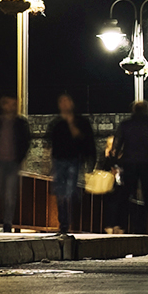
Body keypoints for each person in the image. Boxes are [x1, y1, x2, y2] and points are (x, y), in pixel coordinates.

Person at [46, 93, 97, 235]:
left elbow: (87, 141)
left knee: (70, 191)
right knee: (61, 193)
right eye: (61, 101)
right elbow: (50, 144)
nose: (64, 104)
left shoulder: (80, 122)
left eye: (66, 100)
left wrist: (90, 160)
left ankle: (69, 222)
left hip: (75, 160)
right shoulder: (57, 124)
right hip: (59, 161)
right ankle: (64, 223)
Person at [112, 100, 148, 234]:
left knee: (127, 193)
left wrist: (116, 163)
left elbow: (116, 146)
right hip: (146, 163)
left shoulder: (126, 125)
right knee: (145, 195)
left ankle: (124, 223)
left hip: (129, 163)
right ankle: (142, 225)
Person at [0, 95, 32, 232]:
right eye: (8, 104)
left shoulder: (21, 123)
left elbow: (26, 141)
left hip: (12, 163)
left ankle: (7, 223)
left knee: (10, 194)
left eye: (13, 104)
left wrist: (20, 158)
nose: (11, 107)